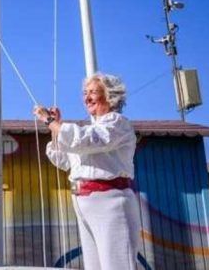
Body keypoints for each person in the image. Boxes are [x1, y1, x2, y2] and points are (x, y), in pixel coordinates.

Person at [34, 73, 141, 270]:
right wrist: (55, 127)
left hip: (110, 201)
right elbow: (63, 159)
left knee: (117, 264)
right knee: (94, 266)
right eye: (85, 93)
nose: (87, 97)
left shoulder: (117, 123)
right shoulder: (91, 129)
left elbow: (86, 140)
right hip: (84, 202)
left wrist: (51, 121)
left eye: (93, 92)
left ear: (110, 96)